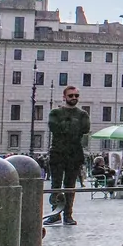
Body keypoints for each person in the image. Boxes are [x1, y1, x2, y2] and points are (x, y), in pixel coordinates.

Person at [44, 87, 91, 225]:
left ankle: (68, 214)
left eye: (76, 95)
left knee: (70, 186)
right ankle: (55, 213)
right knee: (56, 185)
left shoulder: (83, 114)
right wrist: (73, 126)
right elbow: (54, 128)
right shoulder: (55, 112)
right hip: (58, 152)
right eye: (71, 95)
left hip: (74, 153)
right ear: (64, 97)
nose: (74, 97)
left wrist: (66, 125)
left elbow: (85, 129)